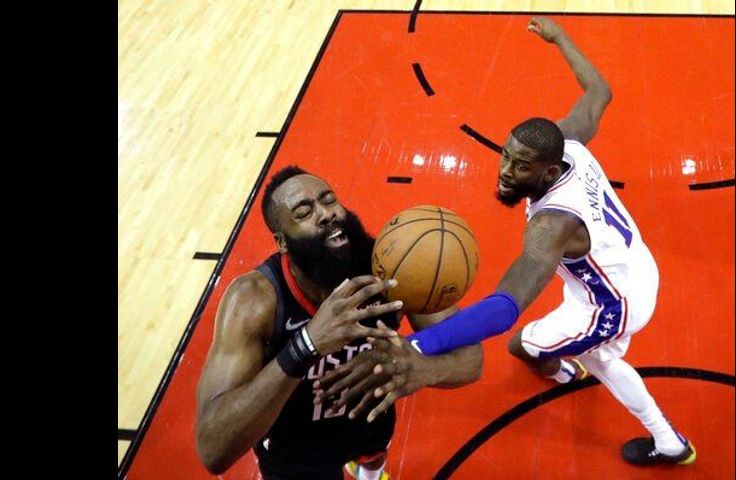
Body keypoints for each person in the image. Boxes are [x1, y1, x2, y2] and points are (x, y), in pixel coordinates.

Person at [339, 17, 696, 467]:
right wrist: (560, 37)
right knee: (530, 348)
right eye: (506, 156)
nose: (506, 172)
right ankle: (565, 367)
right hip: (632, 264)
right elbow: (599, 92)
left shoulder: (551, 225)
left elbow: (504, 308)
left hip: (612, 302)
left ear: (549, 172)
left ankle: (669, 441)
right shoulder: (568, 143)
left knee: (574, 355)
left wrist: (418, 345)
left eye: (521, 166)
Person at [195, 166, 482, 480]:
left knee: (373, 460)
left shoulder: (389, 267)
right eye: (304, 212)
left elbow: (472, 358)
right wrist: (306, 345)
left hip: (371, 426)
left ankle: (368, 471)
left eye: (329, 200)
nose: (325, 214)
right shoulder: (255, 299)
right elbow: (213, 448)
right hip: (296, 453)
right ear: (282, 242)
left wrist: (425, 367)